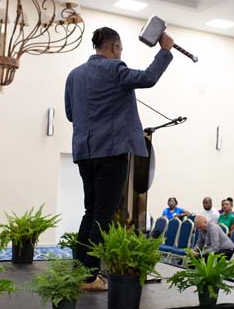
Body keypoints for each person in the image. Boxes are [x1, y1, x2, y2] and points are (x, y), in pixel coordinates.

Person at [65, 27, 174, 291]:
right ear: (114, 48)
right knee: (103, 215)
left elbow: (70, 114)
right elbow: (148, 78)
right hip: (111, 151)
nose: (120, 53)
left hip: (84, 153)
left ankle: (80, 272)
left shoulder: (74, 75)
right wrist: (165, 50)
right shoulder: (115, 68)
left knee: (90, 212)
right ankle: (89, 277)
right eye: (121, 49)